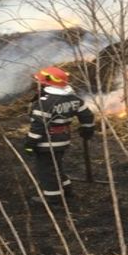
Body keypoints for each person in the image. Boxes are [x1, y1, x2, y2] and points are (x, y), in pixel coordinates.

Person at [24, 66, 95, 206]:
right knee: (56, 165)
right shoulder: (74, 99)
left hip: (46, 142)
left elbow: (38, 126)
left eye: (40, 82)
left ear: (47, 83)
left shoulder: (45, 103)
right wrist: (87, 129)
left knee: (46, 169)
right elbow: (87, 115)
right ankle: (66, 188)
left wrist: (30, 144)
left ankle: (52, 197)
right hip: (63, 139)